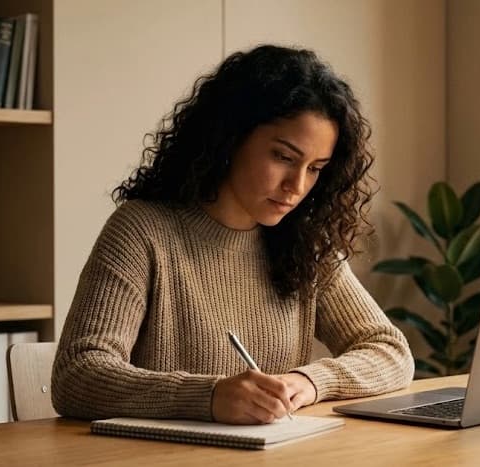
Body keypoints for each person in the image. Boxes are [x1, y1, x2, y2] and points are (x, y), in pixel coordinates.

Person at [51, 44, 414, 425]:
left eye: (315, 168)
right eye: (284, 158)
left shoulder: (306, 243)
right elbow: (78, 374)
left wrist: (308, 381)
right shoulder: (143, 231)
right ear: (229, 138)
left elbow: (389, 351)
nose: (297, 185)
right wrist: (207, 397)